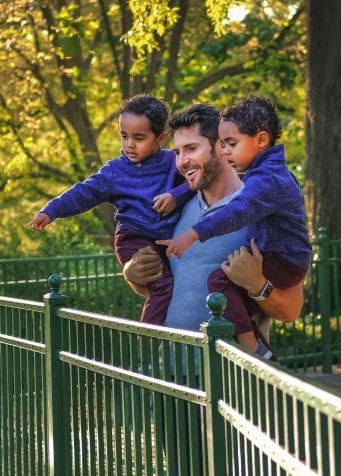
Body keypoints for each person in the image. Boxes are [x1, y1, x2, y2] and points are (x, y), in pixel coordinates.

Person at [124, 103, 304, 357]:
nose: (181, 161)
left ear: (221, 147)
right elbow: (166, 287)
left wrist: (257, 285)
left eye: (191, 149)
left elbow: (291, 310)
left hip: (231, 380)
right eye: (177, 152)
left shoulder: (259, 206)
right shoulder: (173, 209)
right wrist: (132, 274)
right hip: (171, 375)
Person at [27, 94, 192, 325]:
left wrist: (176, 196)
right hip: (134, 238)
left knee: (181, 284)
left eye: (139, 137)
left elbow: (196, 180)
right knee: (163, 286)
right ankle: (149, 349)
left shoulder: (173, 161)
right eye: (124, 136)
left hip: (165, 239)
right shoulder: (115, 171)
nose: (129, 144)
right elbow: (84, 192)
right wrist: (51, 211)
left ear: (161, 138)